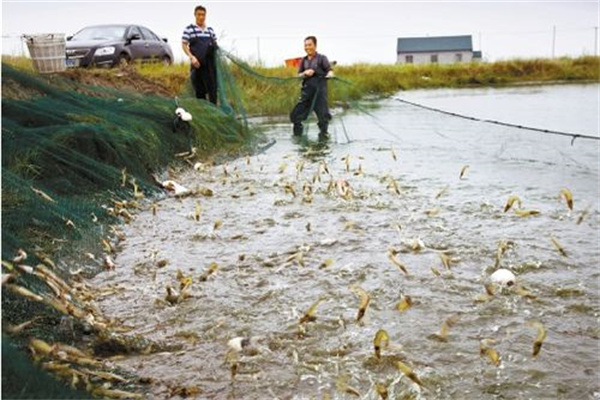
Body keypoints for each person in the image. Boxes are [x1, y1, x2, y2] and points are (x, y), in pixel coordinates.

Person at [290, 36, 334, 136]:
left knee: (323, 119)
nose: (307, 47)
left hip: (320, 94)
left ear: (315, 45)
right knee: (296, 116)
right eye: (305, 45)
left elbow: (329, 70)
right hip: (306, 94)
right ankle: (298, 140)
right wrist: (305, 72)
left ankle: (323, 142)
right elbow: (299, 75)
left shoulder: (322, 58)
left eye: (310, 45)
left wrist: (330, 74)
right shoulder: (303, 60)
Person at [182, 5, 218, 104]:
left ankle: (213, 113)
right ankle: (203, 113)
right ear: (195, 15)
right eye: (199, 15)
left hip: (210, 68)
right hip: (197, 66)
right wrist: (192, 57)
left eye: (203, 15)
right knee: (200, 93)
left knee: (212, 92)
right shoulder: (189, 29)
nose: (201, 17)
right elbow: (184, 45)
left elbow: (215, 46)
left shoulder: (210, 31)